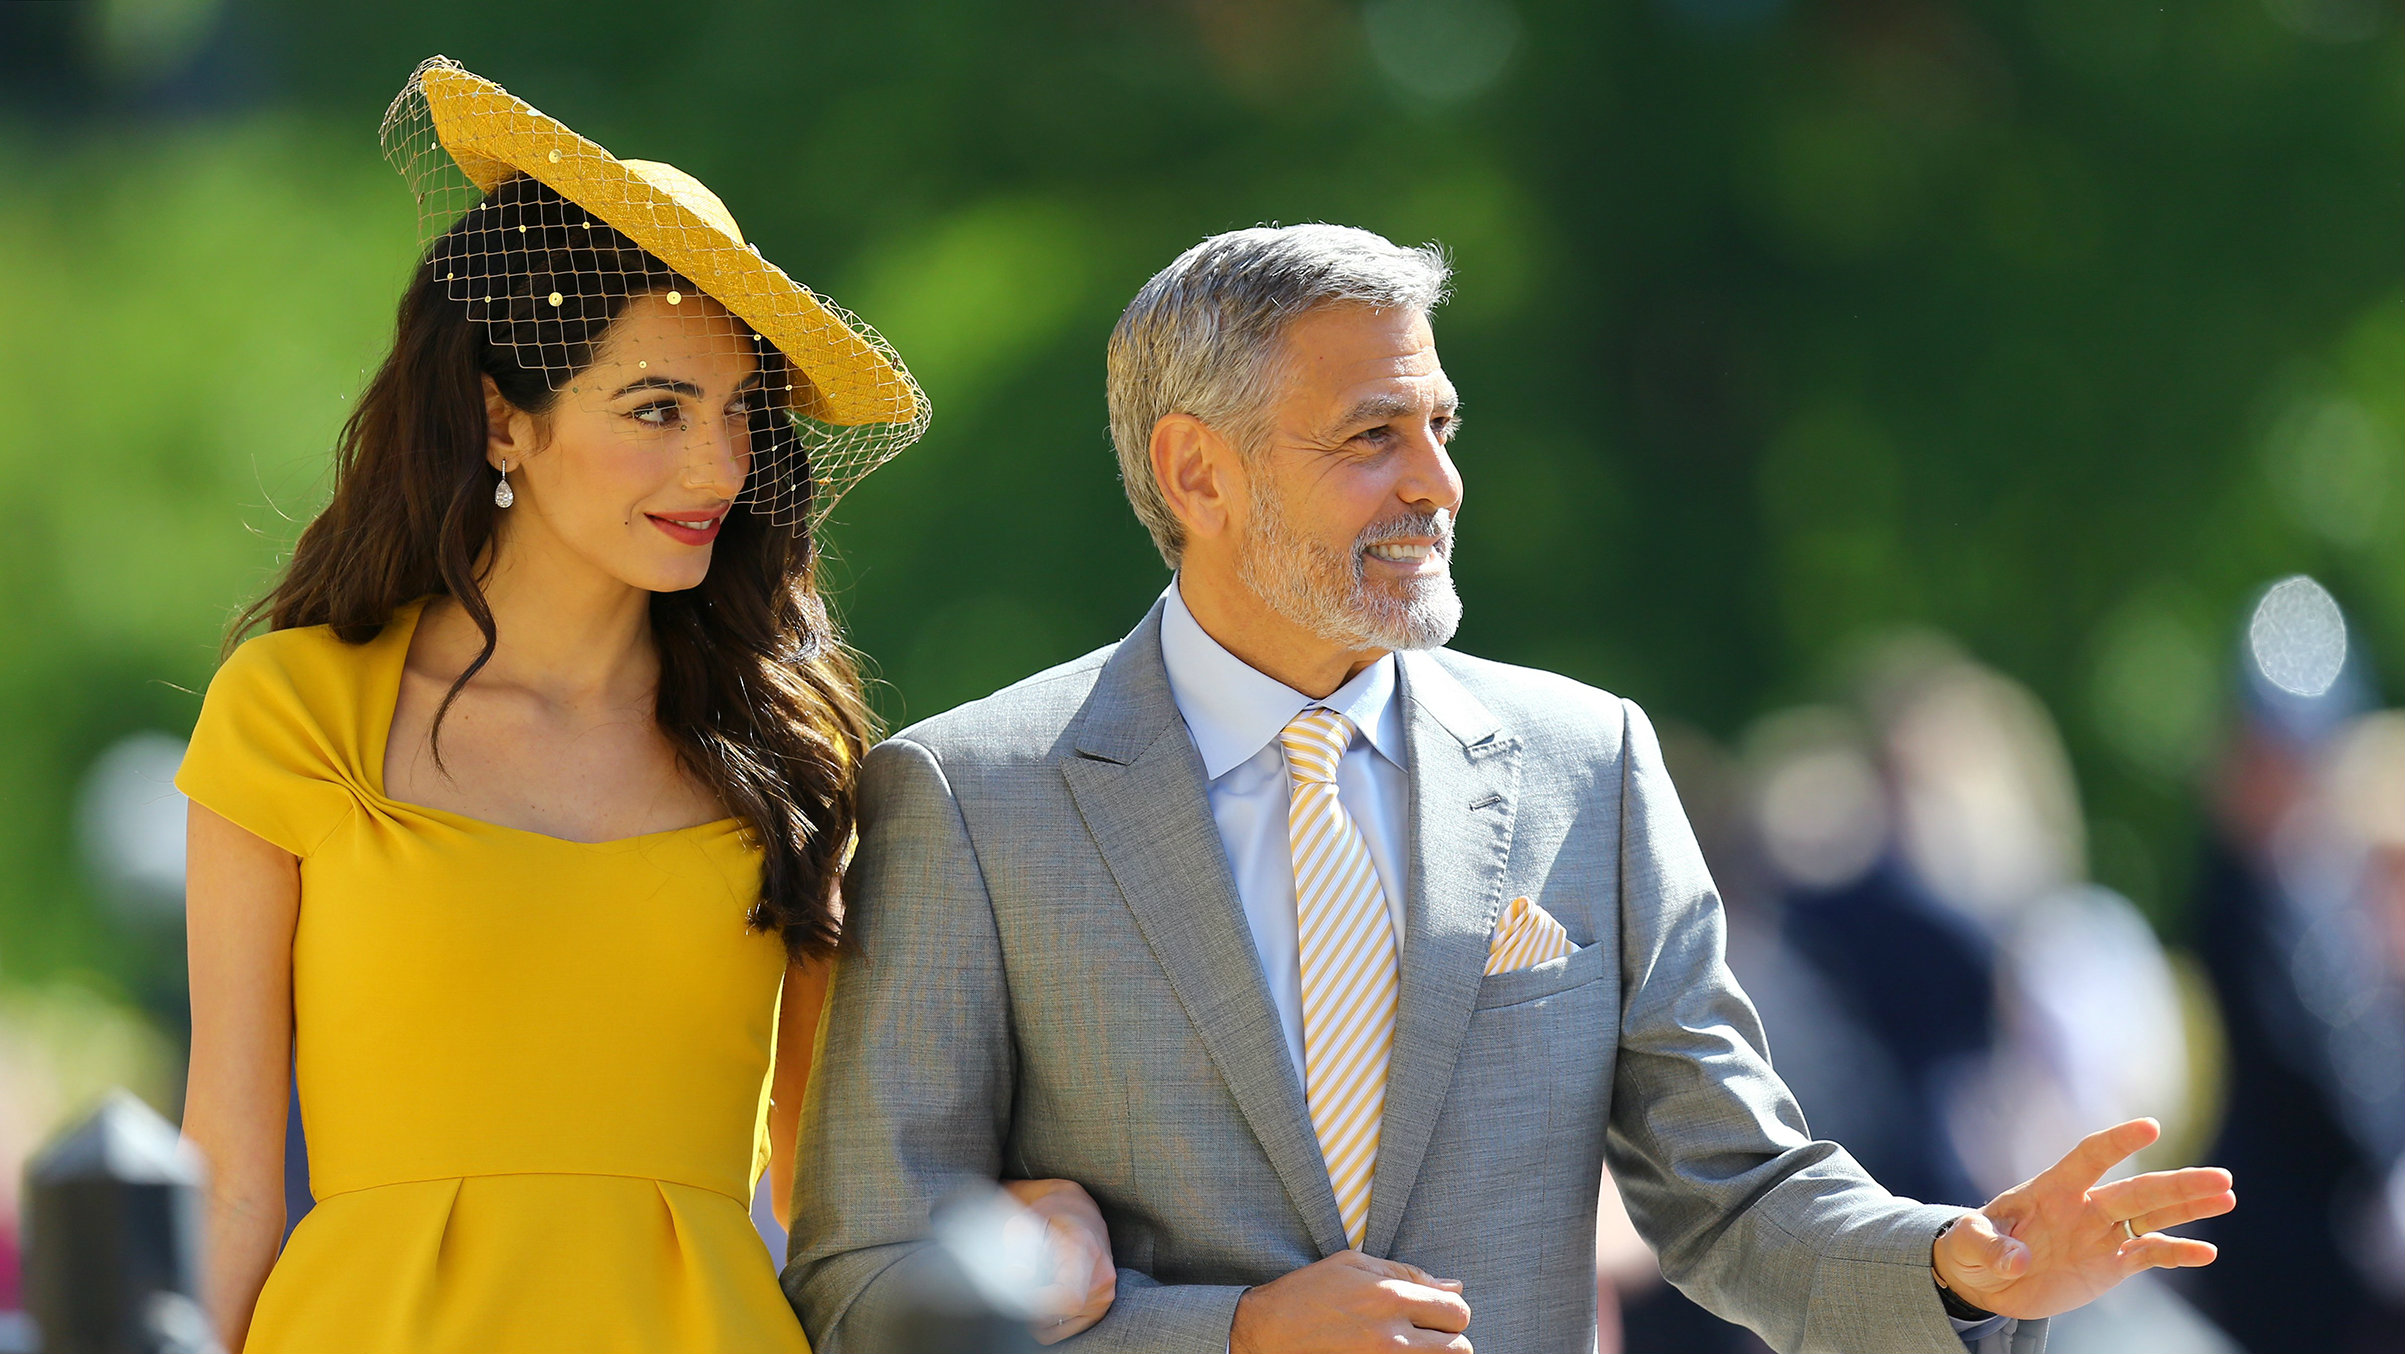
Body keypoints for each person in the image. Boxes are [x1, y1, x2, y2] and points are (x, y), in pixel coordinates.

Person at [784, 224, 2239, 1353]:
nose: (1437, 481)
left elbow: (1731, 1191)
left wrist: (1953, 1259)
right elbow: (866, 1286)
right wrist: (1226, 1334)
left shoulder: (1586, 765)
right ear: (1196, 471)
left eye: (1442, 425)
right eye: (1372, 433)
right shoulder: (970, 798)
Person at [176, 59, 1114, 1353]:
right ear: (503, 420)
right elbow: (227, 1170)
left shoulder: (792, 754)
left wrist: (1030, 1224)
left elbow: (832, 1184)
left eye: (736, 414)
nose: (717, 465)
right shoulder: (295, 709)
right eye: (656, 409)